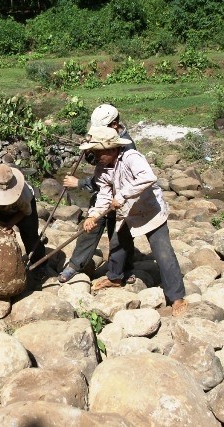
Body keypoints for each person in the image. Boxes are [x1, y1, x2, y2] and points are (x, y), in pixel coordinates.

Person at [80, 126, 188, 316]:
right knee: (117, 245)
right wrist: (93, 215)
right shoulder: (101, 169)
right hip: (127, 213)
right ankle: (115, 277)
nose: (96, 157)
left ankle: (177, 297)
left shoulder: (131, 157)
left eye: (98, 153)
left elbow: (148, 177)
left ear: (112, 149)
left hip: (149, 211)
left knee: (163, 253)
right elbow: (104, 195)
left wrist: (122, 195)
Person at [58, 104, 136, 283]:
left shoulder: (127, 147)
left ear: (115, 125)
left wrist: (79, 183)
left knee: (119, 234)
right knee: (90, 227)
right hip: (103, 193)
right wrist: (89, 148)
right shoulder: (103, 135)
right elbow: (97, 166)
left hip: (121, 196)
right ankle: (76, 265)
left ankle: (125, 268)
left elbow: (109, 177)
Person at [0, 164, 45, 269]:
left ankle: (40, 265)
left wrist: (10, 224)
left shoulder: (24, 195)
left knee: (30, 237)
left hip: (20, 210)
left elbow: (24, 212)